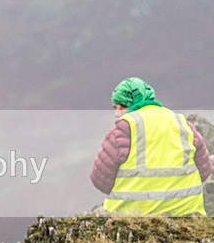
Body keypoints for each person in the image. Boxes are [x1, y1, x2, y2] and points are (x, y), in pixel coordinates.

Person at [90, 77, 211, 216]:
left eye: (122, 107)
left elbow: (99, 179)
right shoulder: (182, 123)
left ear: (136, 102)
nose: (117, 113)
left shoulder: (124, 129)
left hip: (134, 215)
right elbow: (205, 170)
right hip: (186, 213)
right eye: (115, 107)